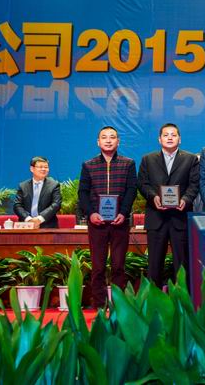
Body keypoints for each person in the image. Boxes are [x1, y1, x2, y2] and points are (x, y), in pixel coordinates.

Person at [78, 126, 137, 308]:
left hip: (120, 222)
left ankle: (119, 305)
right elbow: (83, 192)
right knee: (98, 267)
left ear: (118, 141)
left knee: (119, 266)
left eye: (112, 137)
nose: (108, 140)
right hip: (97, 223)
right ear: (98, 142)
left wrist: (123, 213)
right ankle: (100, 305)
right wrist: (91, 213)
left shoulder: (128, 164)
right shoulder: (89, 165)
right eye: (104, 137)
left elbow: (131, 190)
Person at [137, 123, 199, 288]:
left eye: (173, 135)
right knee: (154, 264)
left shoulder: (191, 159)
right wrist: (154, 197)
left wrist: (185, 199)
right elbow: (142, 184)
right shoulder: (148, 159)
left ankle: (183, 300)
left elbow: (194, 184)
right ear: (159, 139)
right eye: (166, 135)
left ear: (180, 139)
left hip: (180, 218)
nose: (170, 138)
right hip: (156, 218)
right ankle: (154, 300)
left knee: (182, 264)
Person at [13, 156, 62, 228]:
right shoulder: (23, 186)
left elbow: (56, 204)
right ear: (32, 169)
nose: (43, 169)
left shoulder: (54, 185)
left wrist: (39, 219)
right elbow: (17, 205)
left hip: (47, 226)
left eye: (46, 167)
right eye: (40, 167)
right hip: (26, 225)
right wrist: (29, 220)